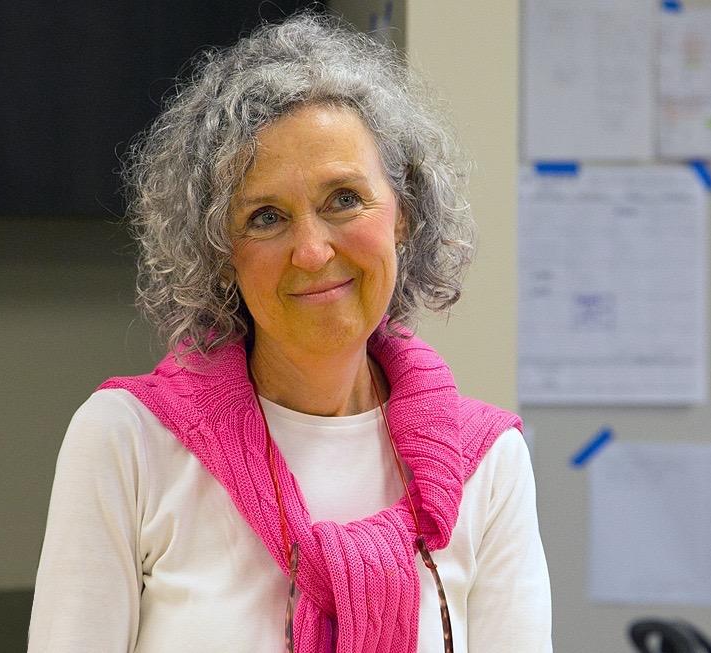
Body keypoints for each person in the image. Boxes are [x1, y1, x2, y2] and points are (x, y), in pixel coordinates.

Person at [29, 12, 552, 653]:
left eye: (344, 199)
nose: (311, 251)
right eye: (266, 216)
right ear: (220, 253)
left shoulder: (488, 465)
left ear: (404, 213)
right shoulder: (128, 441)